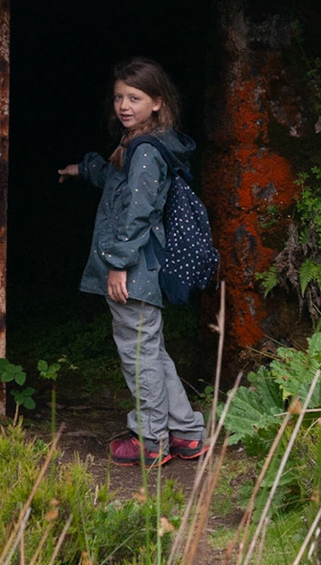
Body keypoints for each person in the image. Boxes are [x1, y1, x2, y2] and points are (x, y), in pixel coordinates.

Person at [57, 58, 208, 467]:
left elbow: (137, 212)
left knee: (139, 354)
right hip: (142, 268)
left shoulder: (144, 151)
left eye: (135, 98)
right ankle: (188, 434)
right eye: (119, 97)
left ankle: (150, 440)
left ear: (158, 102)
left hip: (134, 271)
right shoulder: (148, 143)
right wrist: (82, 169)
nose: (124, 105)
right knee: (152, 351)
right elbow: (116, 181)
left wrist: (119, 264)